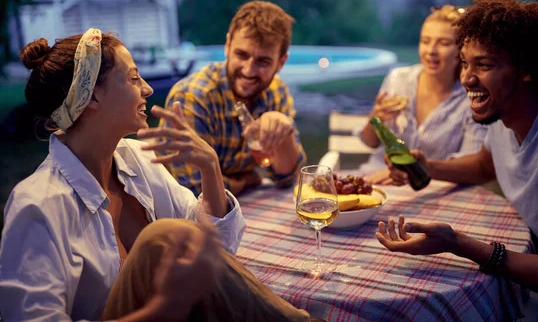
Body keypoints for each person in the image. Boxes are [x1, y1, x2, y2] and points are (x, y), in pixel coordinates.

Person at [0, 30, 312, 321]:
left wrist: (210, 167)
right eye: (133, 78)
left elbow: (215, 253)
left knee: (168, 237)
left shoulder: (137, 159)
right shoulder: (37, 206)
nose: (148, 88)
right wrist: (163, 308)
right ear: (92, 96)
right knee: (158, 238)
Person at [375, 0, 538, 317]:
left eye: (484, 65)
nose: (466, 78)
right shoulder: (503, 115)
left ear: (528, 69)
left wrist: (461, 244)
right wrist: (429, 166)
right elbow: (485, 165)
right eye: (466, 63)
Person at [160, 0, 306, 195]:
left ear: (281, 63)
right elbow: (195, 191)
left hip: (240, 209)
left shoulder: (276, 91)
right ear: (228, 45)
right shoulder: (194, 97)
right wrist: (246, 181)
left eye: (263, 61)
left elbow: (288, 178)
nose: (248, 70)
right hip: (178, 217)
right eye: (242, 55)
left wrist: (284, 132)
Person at [359, 5, 487, 184]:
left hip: (436, 189)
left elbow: (472, 167)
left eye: (443, 43)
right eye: (425, 41)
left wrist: (418, 168)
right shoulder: (398, 79)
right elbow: (369, 141)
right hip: (378, 179)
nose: (431, 51)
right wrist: (375, 118)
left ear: (461, 51)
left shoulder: (471, 98)